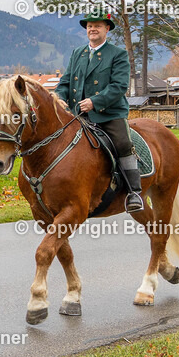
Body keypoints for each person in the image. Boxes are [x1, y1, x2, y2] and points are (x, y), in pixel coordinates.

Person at [54, 11, 143, 212]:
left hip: (108, 114)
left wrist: (95, 102)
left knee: (123, 143)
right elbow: (66, 82)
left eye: (97, 26)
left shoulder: (117, 54)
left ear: (107, 29)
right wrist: (59, 97)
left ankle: (134, 192)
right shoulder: (78, 53)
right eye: (89, 26)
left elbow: (119, 86)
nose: (92, 29)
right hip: (78, 114)